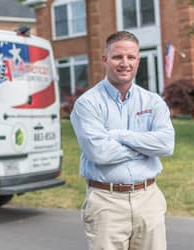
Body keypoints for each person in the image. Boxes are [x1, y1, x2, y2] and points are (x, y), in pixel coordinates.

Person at [70, 31, 175, 250]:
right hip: (106, 201)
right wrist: (146, 147)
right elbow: (99, 153)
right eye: (118, 57)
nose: (124, 63)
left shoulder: (153, 102)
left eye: (131, 57)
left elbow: (166, 145)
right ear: (105, 59)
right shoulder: (87, 104)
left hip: (148, 199)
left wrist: (120, 136)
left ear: (138, 60)